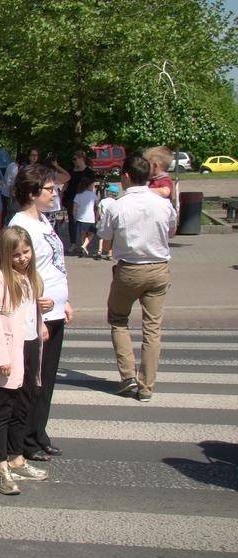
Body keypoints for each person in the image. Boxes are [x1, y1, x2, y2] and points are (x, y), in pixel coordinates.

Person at [98, 154, 177, 402]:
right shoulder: (162, 203)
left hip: (129, 269)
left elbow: (105, 239)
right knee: (152, 328)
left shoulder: (116, 205)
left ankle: (127, 375)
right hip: (159, 268)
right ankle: (146, 387)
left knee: (119, 319)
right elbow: (172, 229)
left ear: (127, 176)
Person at [9, 164, 73, 462]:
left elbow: (54, 264)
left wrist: (65, 300)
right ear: (33, 193)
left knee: (47, 378)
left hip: (55, 309)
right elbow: (17, 271)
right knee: (33, 380)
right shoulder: (21, 224)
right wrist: (36, 309)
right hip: (38, 313)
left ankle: (39, 432)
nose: (55, 193)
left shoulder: (44, 221)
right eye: (50, 189)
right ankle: (25, 439)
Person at [0, 226, 49, 495]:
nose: (23, 258)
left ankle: (17, 456)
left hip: (31, 345)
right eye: (16, 254)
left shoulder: (30, 276)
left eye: (26, 251)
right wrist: (2, 357)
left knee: (24, 403)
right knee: (5, 407)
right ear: (5, 255)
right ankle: (0, 466)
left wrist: (45, 310)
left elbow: (29, 313)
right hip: (11, 351)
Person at [62, 150, 96, 253]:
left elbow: (92, 187)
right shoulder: (71, 171)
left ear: (82, 159)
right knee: (72, 221)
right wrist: (62, 195)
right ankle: (73, 243)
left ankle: (83, 244)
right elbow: (66, 185)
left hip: (84, 200)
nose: (74, 161)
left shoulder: (89, 172)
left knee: (84, 221)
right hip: (71, 198)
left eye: (75, 159)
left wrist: (92, 199)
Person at [73, 176, 98, 257]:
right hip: (90, 218)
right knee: (91, 233)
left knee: (83, 234)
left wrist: (74, 217)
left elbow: (75, 208)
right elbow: (97, 205)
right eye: (92, 185)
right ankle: (84, 246)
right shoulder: (93, 195)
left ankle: (83, 248)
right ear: (88, 185)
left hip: (80, 217)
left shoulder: (78, 195)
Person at [96, 184, 119, 260]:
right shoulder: (116, 202)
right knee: (112, 237)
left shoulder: (103, 201)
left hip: (103, 220)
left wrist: (97, 219)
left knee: (101, 237)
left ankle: (99, 251)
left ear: (107, 192)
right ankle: (110, 253)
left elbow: (99, 211)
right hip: (112, 221)